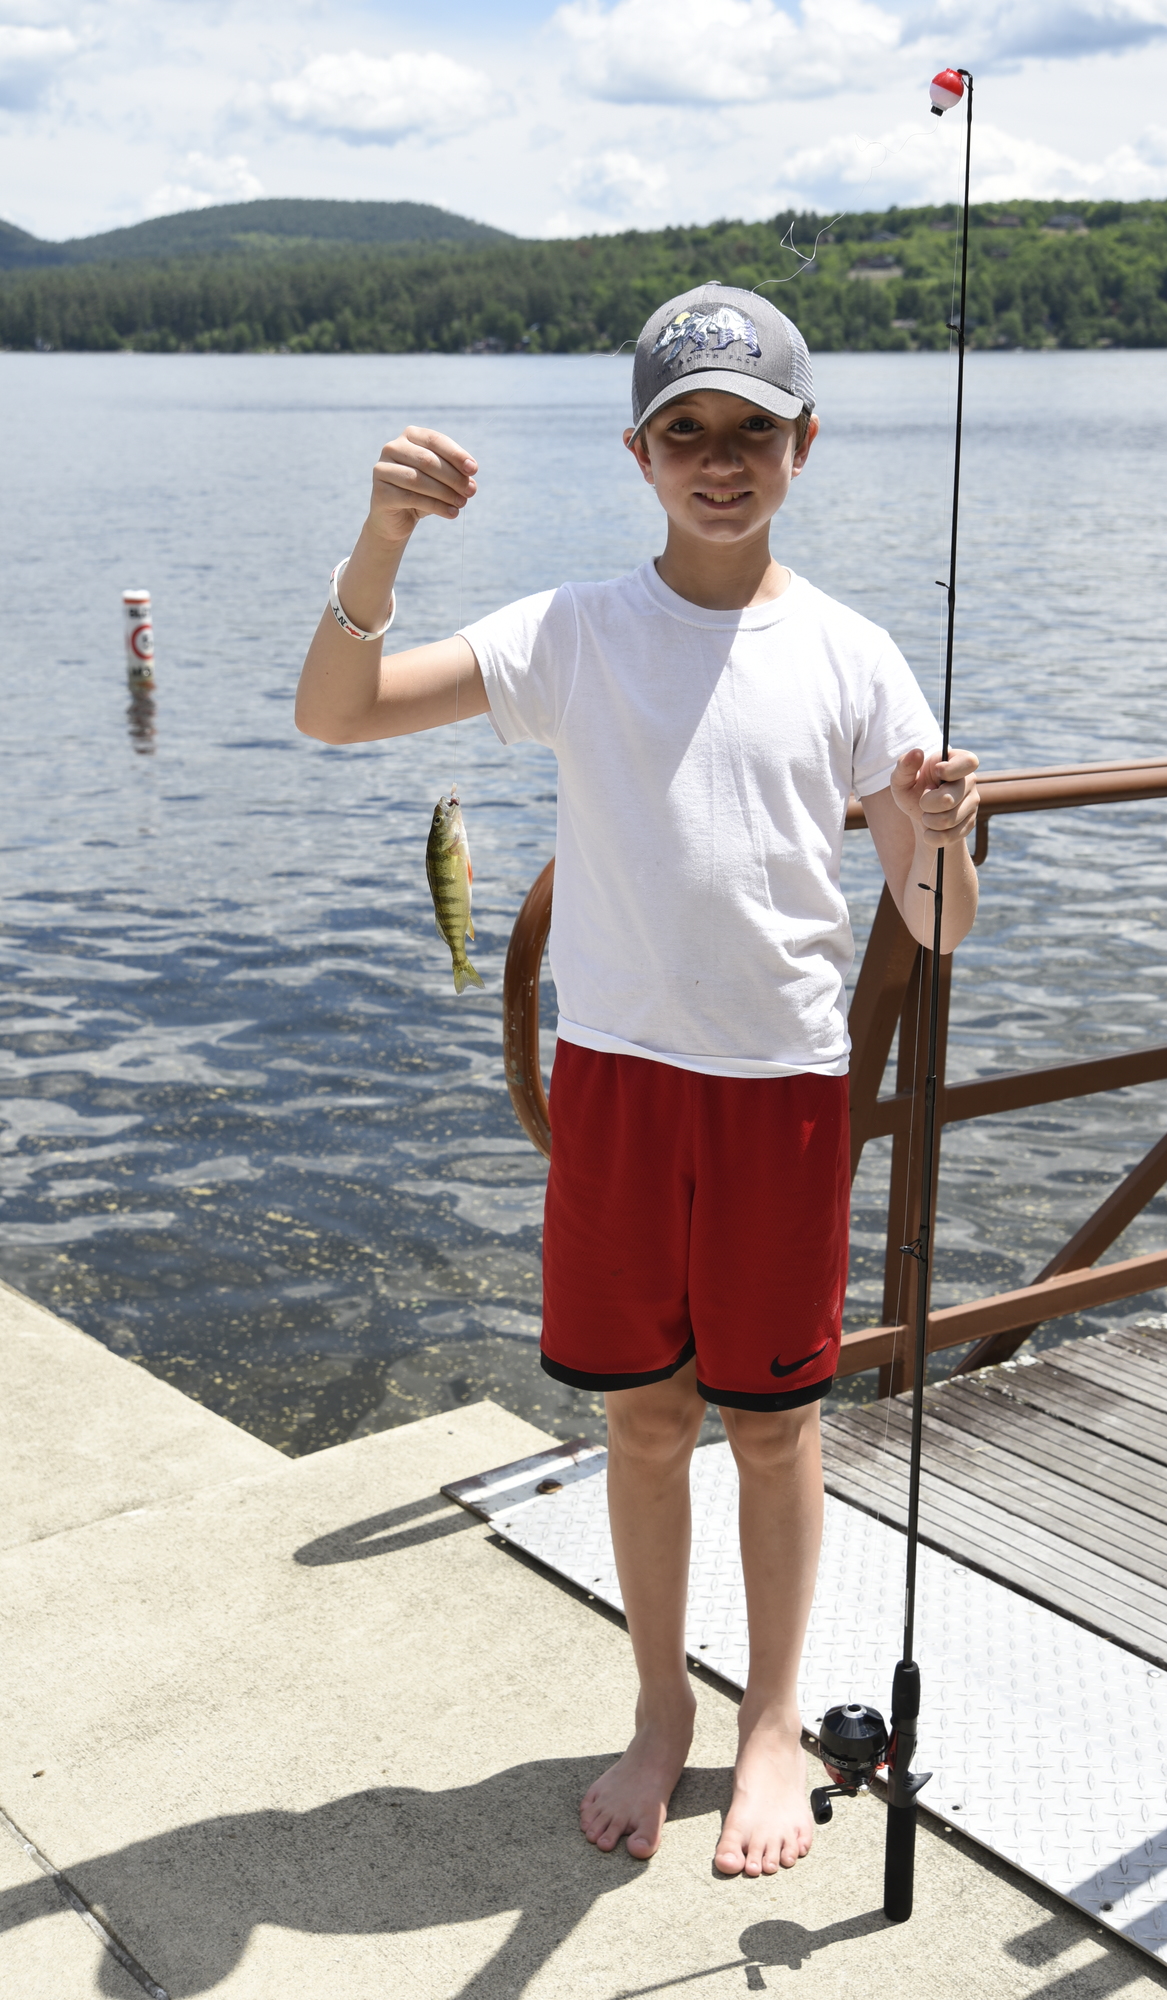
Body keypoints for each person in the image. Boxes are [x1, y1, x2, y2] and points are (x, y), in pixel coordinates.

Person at [295, 286, 980, 1880]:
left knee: (774, 1428)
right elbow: (336, 715)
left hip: (783, 1092)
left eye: (753, 432)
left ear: (804, 448)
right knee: (649, 1421)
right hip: (615, 1082)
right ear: (639, 450)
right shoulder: (574, 630)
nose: (720, 462)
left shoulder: (860, 658)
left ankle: (768, 1722)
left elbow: (936, 927)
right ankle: (663, 1704)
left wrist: (936, 836)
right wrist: (384, 533)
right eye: (689, 432)